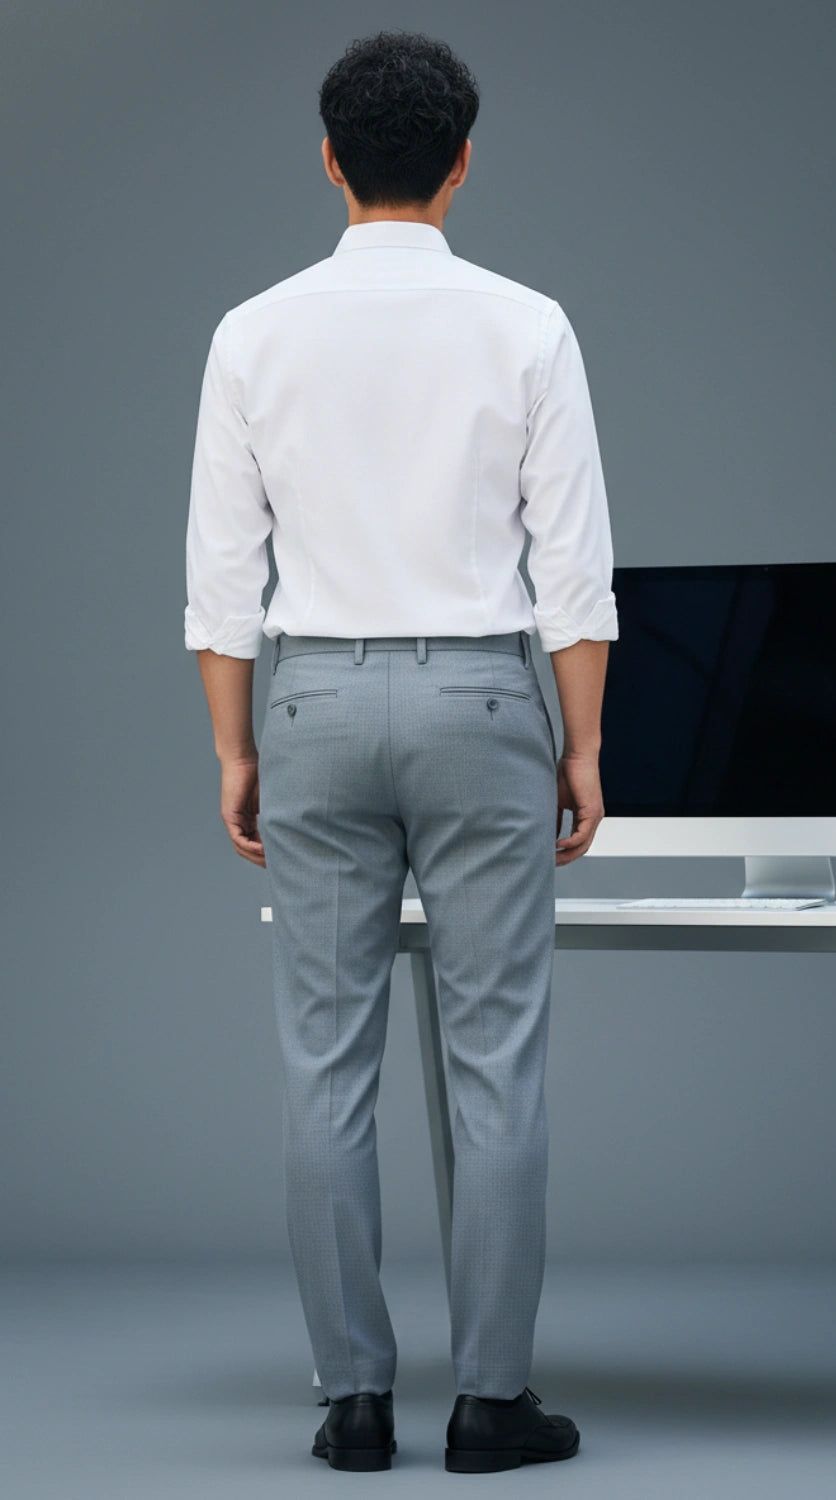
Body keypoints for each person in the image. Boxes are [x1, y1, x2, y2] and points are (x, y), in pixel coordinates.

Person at [183, 27, 617, 1475]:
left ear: (328, 157)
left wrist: (237, 753)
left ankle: (353, 1402)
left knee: (326, 1065)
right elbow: (574, 573)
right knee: (496, 1063)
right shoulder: (529, 325)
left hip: (307, 707)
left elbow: (219, 584)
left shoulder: (252, 332)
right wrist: (587, 749)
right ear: (462, 161)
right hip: (486, 708)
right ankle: (492, 1404)